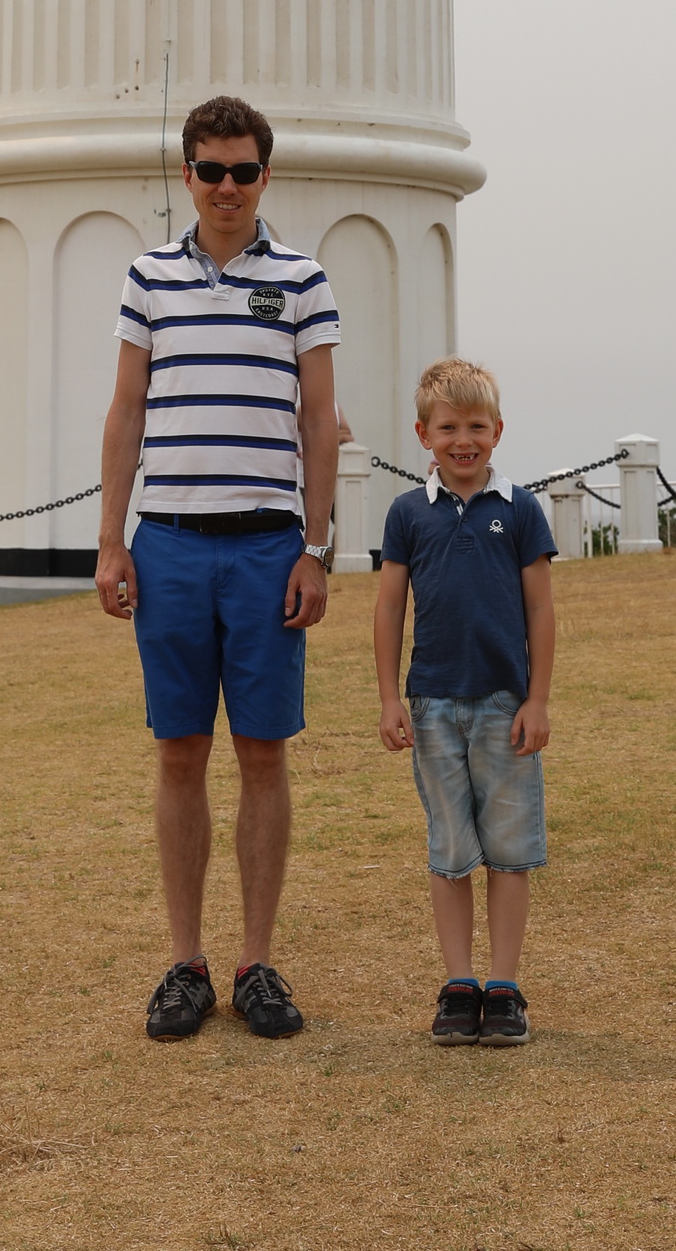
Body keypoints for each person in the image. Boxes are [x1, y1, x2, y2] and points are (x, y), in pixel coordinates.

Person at [95, 93, 341, 1042]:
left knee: (264, 753)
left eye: (244, 170)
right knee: (179, 750)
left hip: (269, 544)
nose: (227, 186)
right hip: (169, 545)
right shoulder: (147, 277)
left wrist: (316, 549)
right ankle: (186, 961)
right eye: (210, 170)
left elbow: (318, 421)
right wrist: (113, 540)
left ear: (265, 175)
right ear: (186, 174)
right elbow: (127, 413)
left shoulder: (305, 281)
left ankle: (258, 962)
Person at [373, 358, 556, 1048]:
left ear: (498, 431)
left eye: (476, 427)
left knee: (509, 849)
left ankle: (503, 987)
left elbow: (541, 608)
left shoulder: (521, 509)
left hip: (505, 705)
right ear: (424, 434)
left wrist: (537, 700)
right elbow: (390, 607)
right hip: (432, 707)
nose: (463, 440)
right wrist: (390, 696)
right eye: (448, 428)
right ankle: (459, 983)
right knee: (450, 849)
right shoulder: (406, 513)